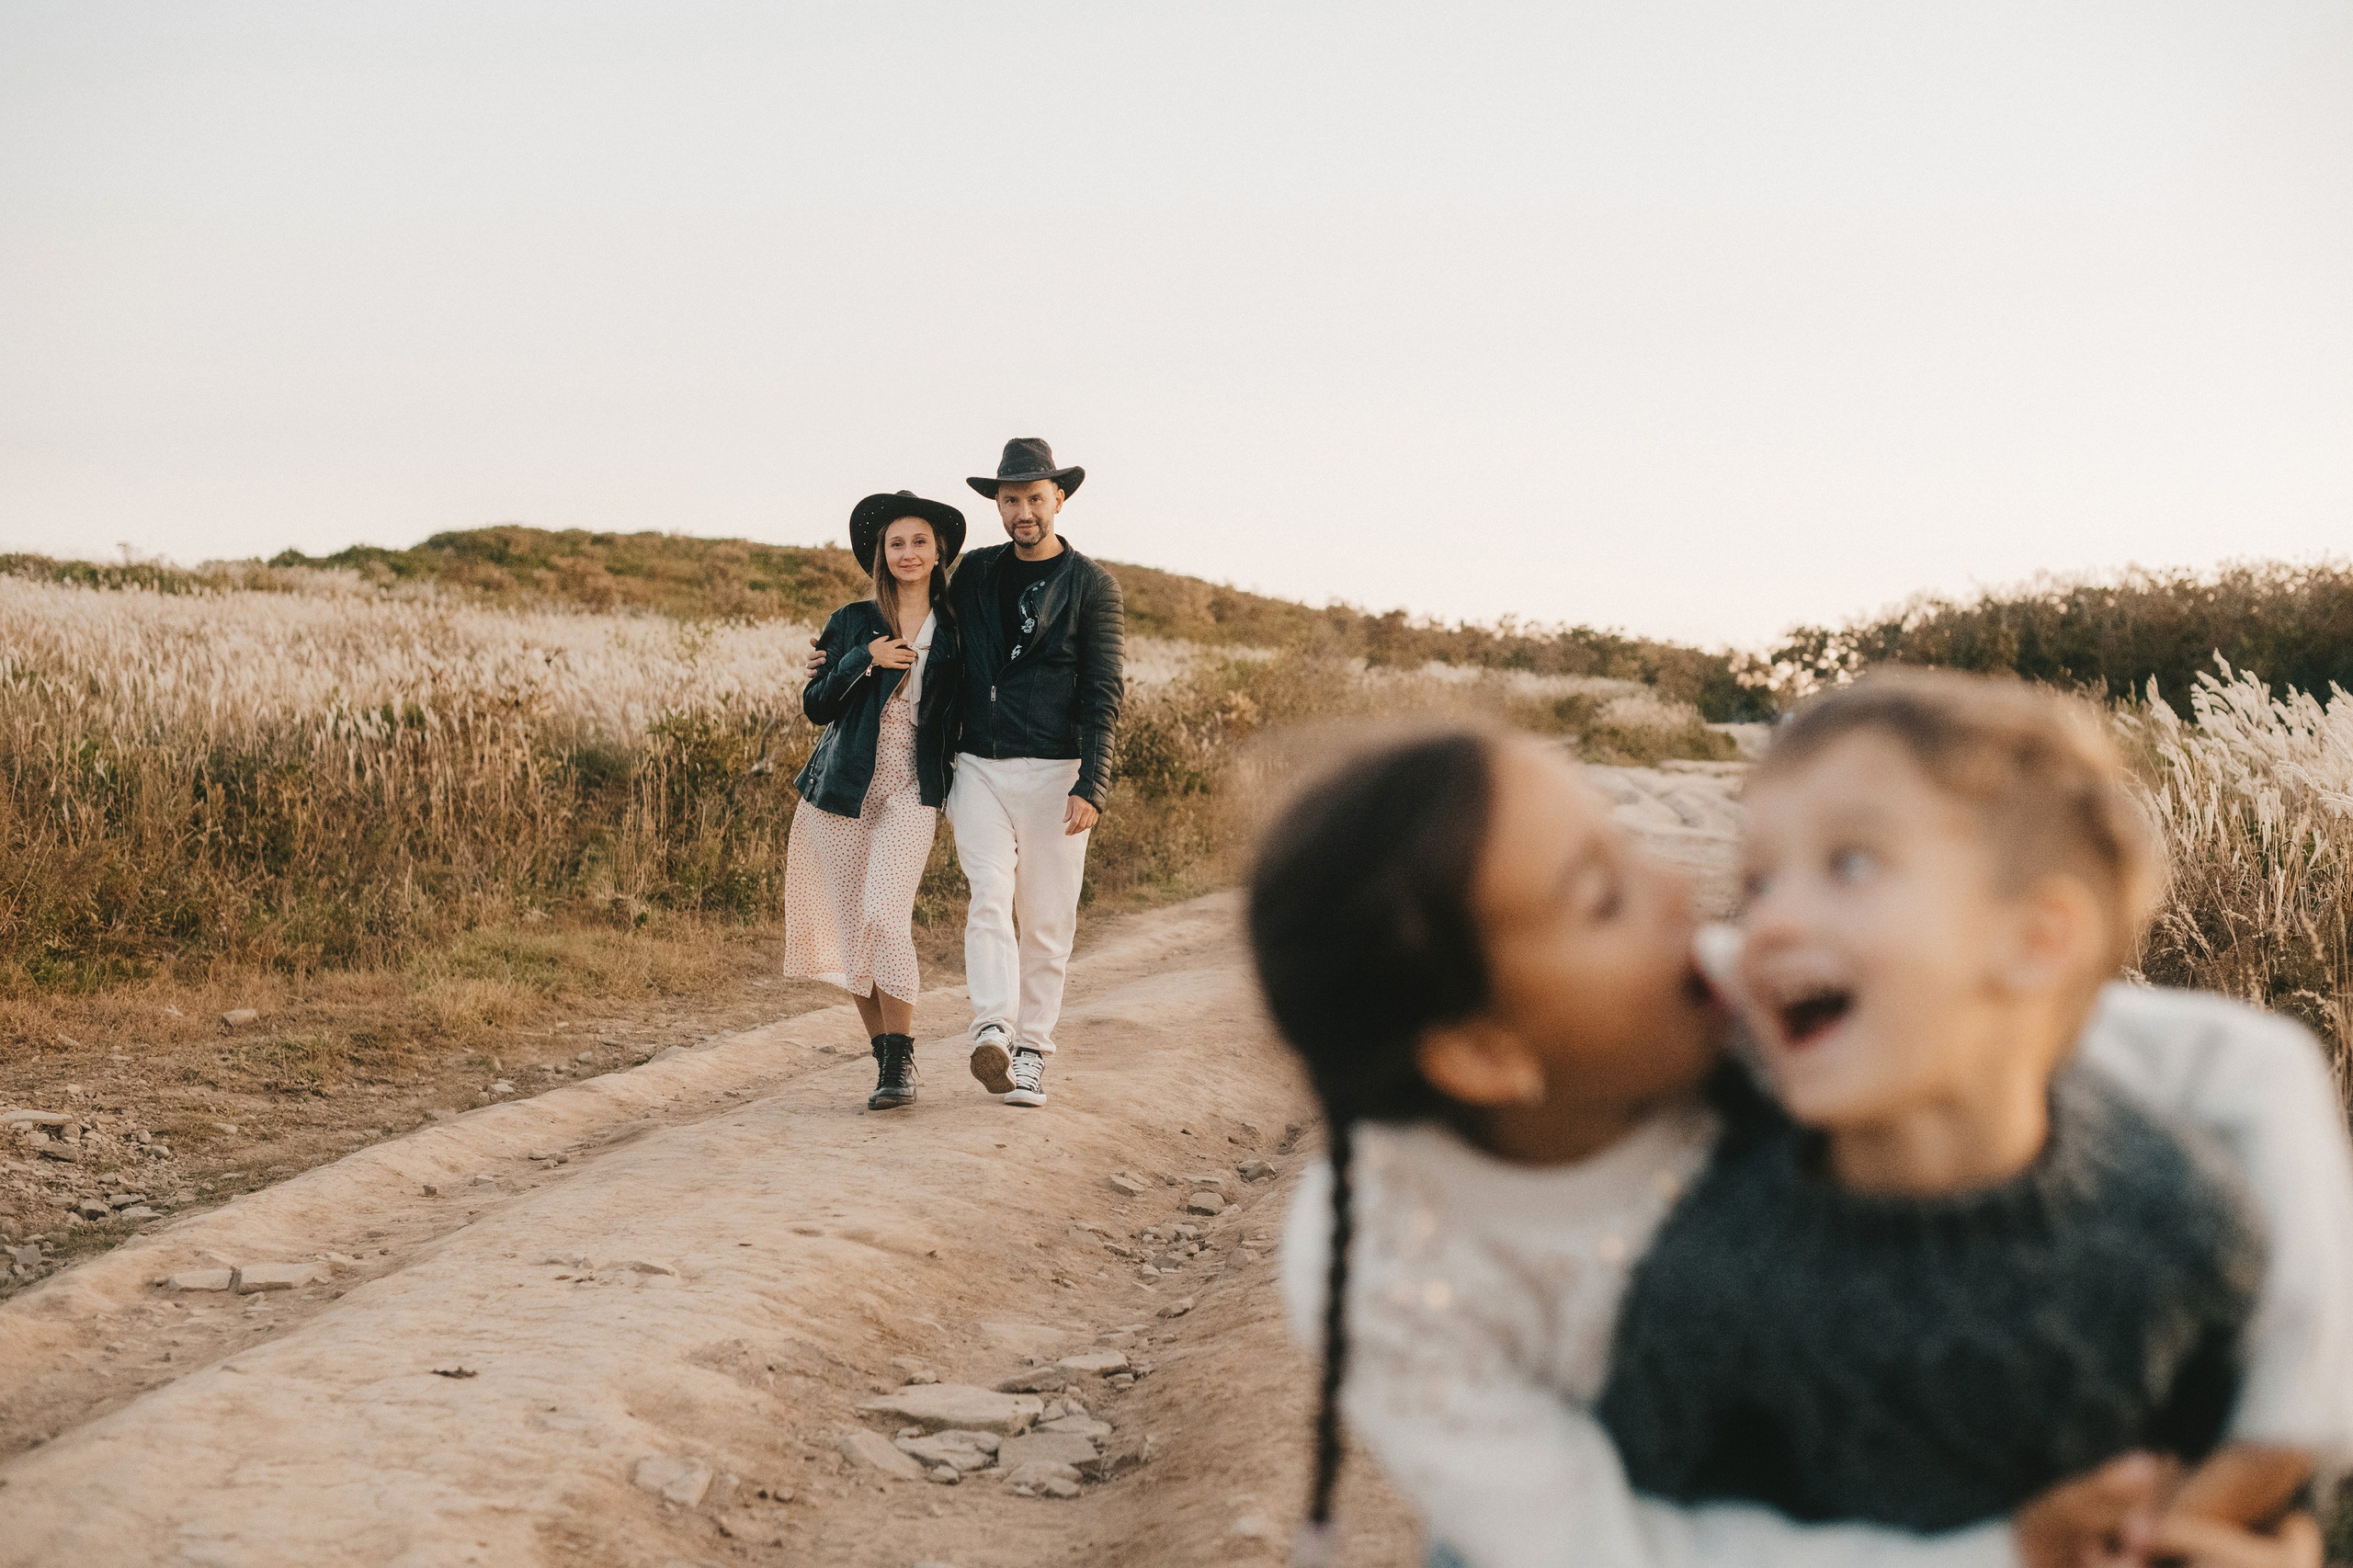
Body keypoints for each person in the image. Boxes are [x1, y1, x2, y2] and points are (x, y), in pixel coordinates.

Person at [1249, 721, 2352, 1568]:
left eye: (1630, 845)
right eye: (1603, 895)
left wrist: (2279, 1445)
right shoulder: (1385, 1255)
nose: (1679, 887)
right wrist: (2005, 1552)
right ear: (1486, 1053)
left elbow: (2241, 1060)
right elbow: (1603, 1551)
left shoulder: (1762, 1008)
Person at [1598, 671, 2313, 1534]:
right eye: (1758, 884)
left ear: (2036, 941)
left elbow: (2242, 1481)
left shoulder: (2181, 1217)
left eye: (1851, 864)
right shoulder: (1710, 1263)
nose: (1771, 923)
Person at [947, 437, 1125, 1108]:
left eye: (1035, 499)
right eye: (1011, 499)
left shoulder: (1092, 586)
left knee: (1047, 921)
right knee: (989, 894)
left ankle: (1030, 1053)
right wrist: (845, 650)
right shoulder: (974, 573)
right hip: (979, 764)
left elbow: (1103, 689)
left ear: (1060, 499)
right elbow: (926, 634)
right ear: (998, 504)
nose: (1024, 511)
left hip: (1058, 770)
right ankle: (992, 1026)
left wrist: (1093, 782)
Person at [783, 491, 965, 1111]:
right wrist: (865, 658)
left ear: (938, 551)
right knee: (852, 927)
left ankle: (905, 1053)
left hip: (914, 784)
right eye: (896, 543)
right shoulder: (854, 620)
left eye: (919, 541)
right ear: (880, 555)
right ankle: (887, 1063)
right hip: (844, 789)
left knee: (886, 914)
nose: (908, 553)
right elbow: (816, 706)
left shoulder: (960, 626)